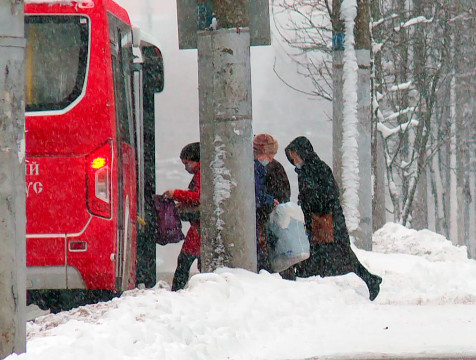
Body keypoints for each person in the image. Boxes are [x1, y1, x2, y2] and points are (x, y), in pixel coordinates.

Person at [285, 136, 382, 301]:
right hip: (319, 221)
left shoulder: (318, 168)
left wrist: (314, 204)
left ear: (304, 152)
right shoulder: (305, 171)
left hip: (328, 220)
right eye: (292, 157)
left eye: (295, 155)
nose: (294, 160)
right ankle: (368, 280)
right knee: (333, 254)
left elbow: (330, 193)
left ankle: (369, 281)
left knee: (339, 254)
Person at [253, 134, 294, 278]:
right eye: (270, 155)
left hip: (263, 216)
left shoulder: (258, 166)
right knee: (271, 251)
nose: (270, 159)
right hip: (266, 216)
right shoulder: (262, 167)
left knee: (267, 251)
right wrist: (271, 201)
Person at [164, 142, 201, 291]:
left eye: (187, 163)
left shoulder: (201, 174)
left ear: (195, 160)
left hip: (199, 228)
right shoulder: (203, 173)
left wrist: (176, 194)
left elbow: (198, 196)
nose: (186, 167)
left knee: (185, 260)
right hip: (200, 226)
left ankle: (177, 290)